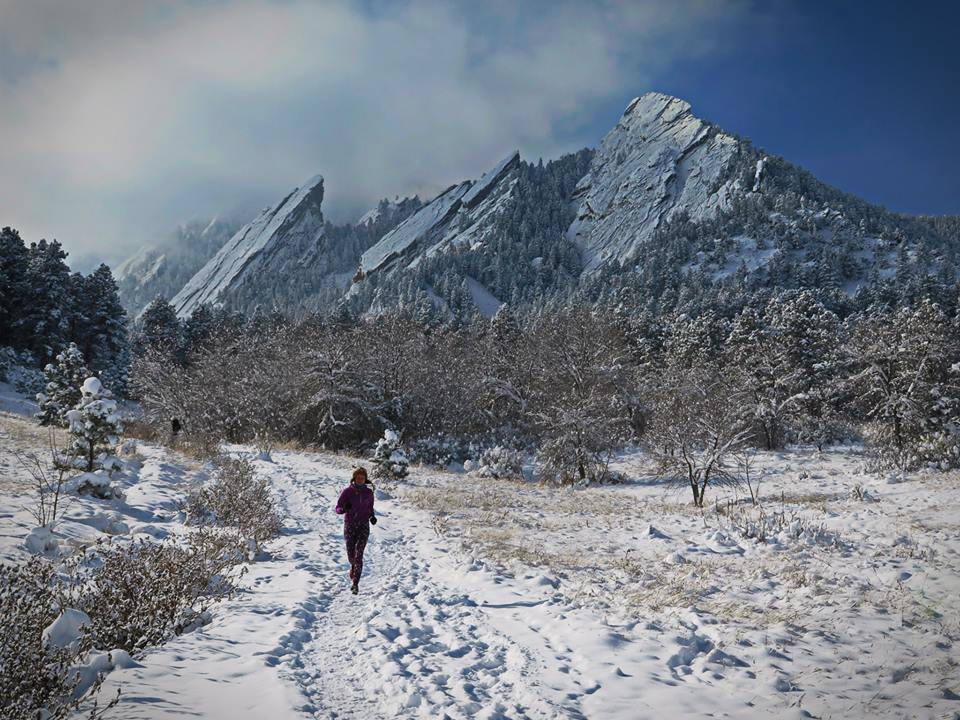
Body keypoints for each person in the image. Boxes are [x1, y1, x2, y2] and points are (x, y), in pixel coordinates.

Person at [335, 466, 377, 594]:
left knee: (359, 554)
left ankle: (355, 583)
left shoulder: (369, 493)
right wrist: (344, 509)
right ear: (354, 478)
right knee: (351, 555)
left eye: (362, 478)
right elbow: (338, 508)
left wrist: (372, 516)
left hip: (363, 526)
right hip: (350, 525)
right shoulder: (347, 492)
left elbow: (370, 508)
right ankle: (353, 566)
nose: (360, 480)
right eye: (358, 478)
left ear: (365, 479)